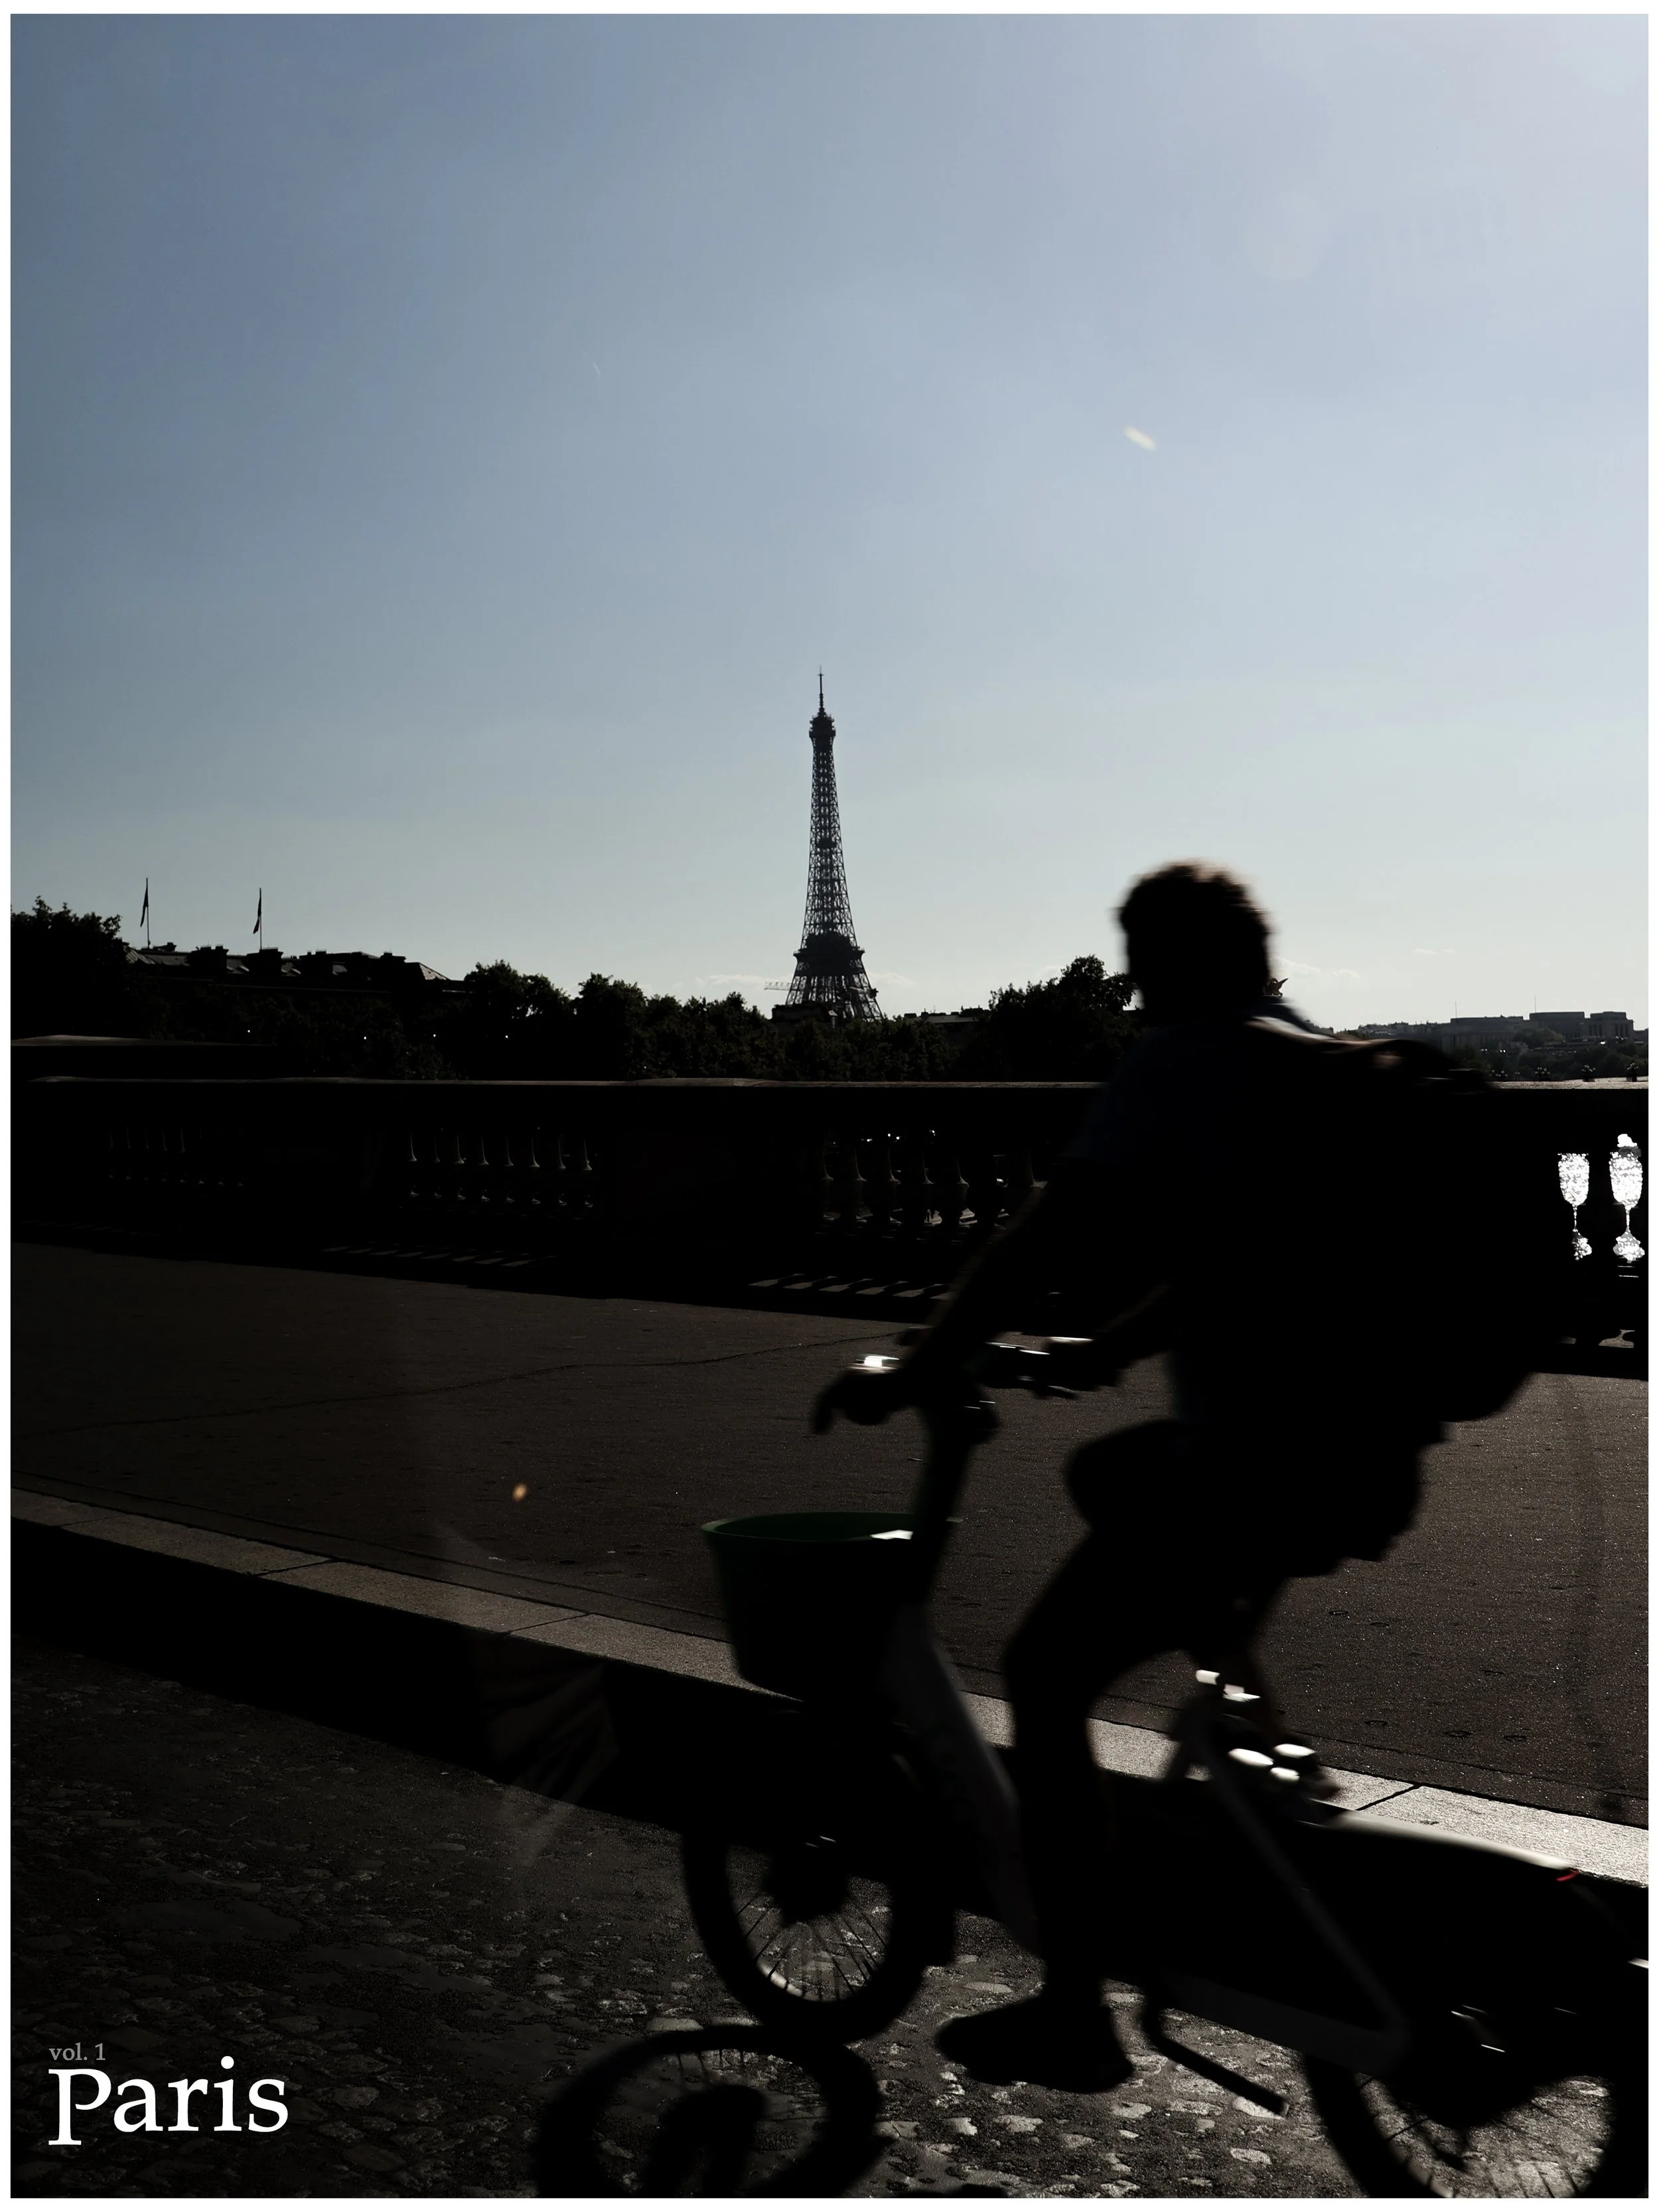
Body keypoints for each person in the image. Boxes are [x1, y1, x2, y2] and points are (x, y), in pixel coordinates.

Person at [816, 861, 1441, 2092]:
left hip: (1256, 1468)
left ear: (1160, 962)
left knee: (1043, 1674)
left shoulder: (1178, 1063)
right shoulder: (1305, 1058)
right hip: (1372, 1458)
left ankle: (1073, 2016)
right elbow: (1241, 1263)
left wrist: (923, 1361)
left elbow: (1044, 1234)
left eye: (1136, 957)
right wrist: (1108, 1353)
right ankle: (1240, 1728)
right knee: (1112, 1472)